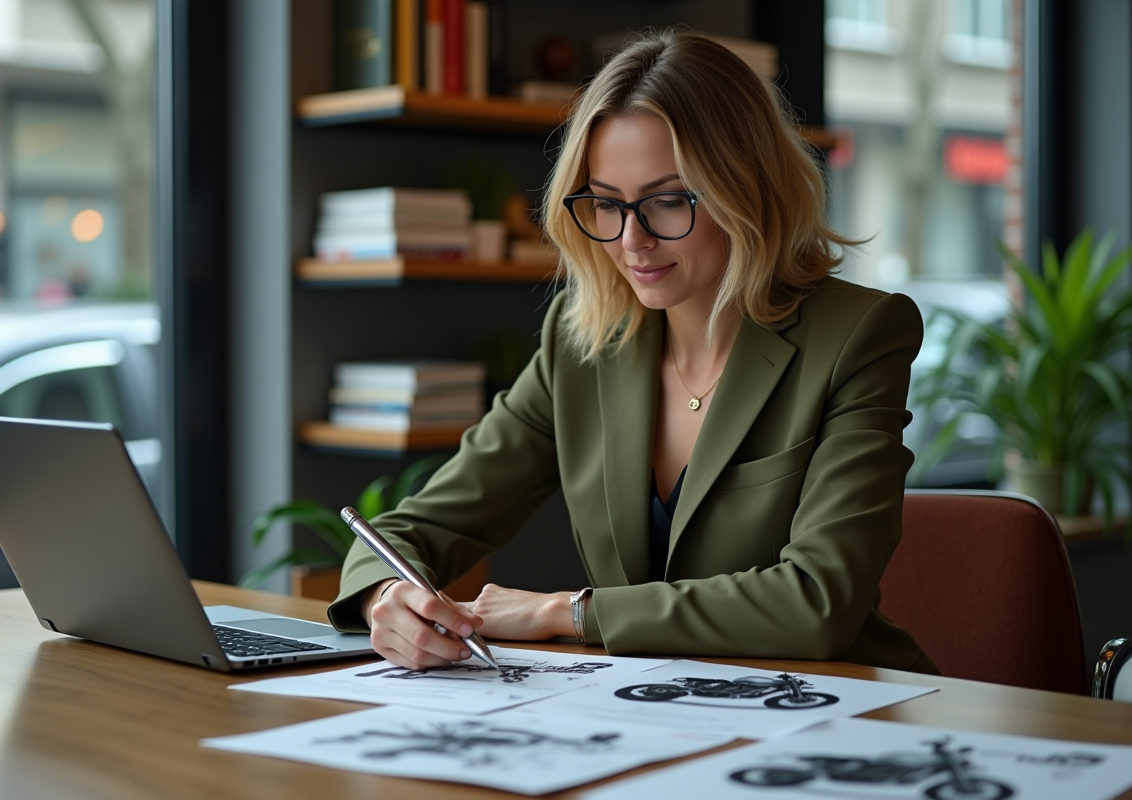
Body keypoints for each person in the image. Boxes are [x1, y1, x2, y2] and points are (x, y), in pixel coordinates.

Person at [328, 29, 936, 676]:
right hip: (650, 714)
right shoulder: (582, 340)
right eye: (607, 204)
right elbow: (412, 529)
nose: (632, 241)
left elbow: (819, 603)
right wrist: (385, 597)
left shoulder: (859, 335)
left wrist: (568, 612)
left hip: (833, 713)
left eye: (668, 201)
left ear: (746, 187)